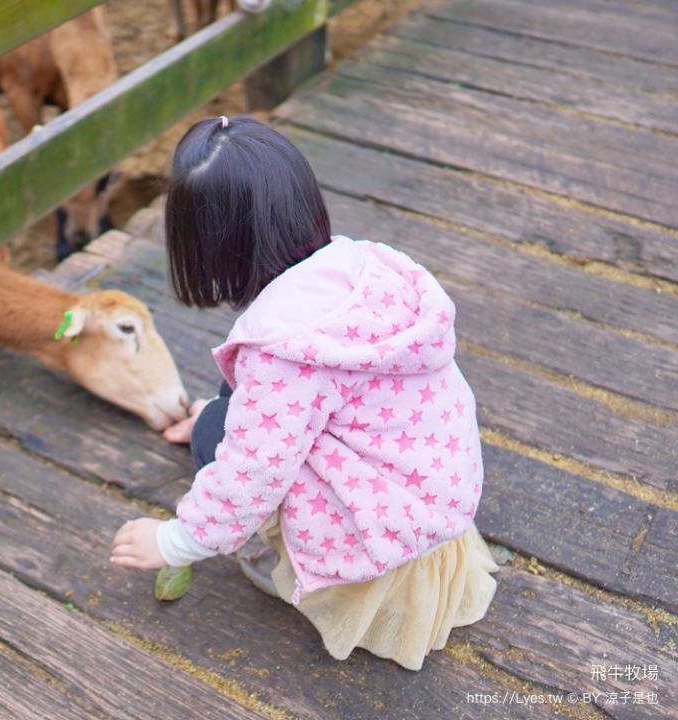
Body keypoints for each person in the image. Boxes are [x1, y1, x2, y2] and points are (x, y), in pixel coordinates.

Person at [110, 116, 497, 670]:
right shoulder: (365, 267)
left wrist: (171, 542)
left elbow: (250, 475)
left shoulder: (283, 350)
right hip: (431, 485)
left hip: (377, 540)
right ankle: (216, 422)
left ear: (208, 244)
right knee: (225, 404)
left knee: (218, 439)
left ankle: (302, 573)